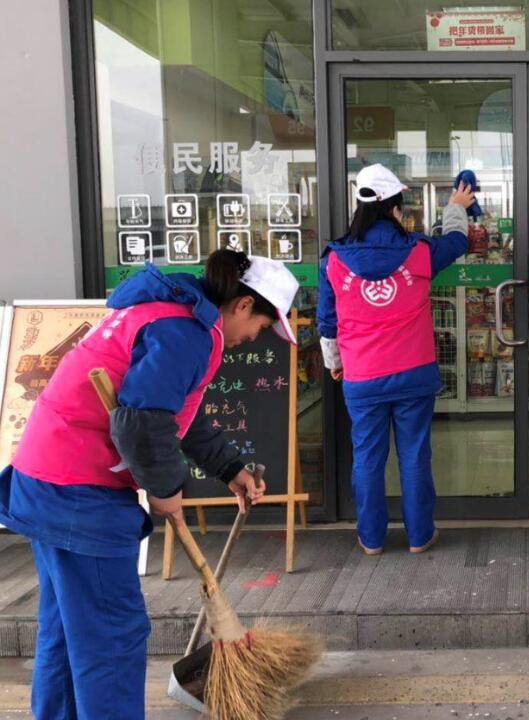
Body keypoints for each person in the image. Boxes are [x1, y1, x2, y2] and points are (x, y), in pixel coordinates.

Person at [0, 249, 300, 719]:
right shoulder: (186, 333)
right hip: (79, 493)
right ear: (243, 305)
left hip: (46, 480)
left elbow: (172, 410)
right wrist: (166, 490)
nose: (253, 338)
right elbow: (142, 423)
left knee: (68, 628)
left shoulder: (169, 313)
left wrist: (229, 468)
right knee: (111, 634)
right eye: (261, 326)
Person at [319, 163, 473, 555]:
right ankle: (420, 536)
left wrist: (335, 362)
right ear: (394, 208)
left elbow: (327, 320)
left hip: (362, 375)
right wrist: (456, 206)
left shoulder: (334, 259)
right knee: (414, 454)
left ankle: (371, 539)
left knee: (367, 457)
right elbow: (457, 242)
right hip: (413, 372)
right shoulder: (418, 251)